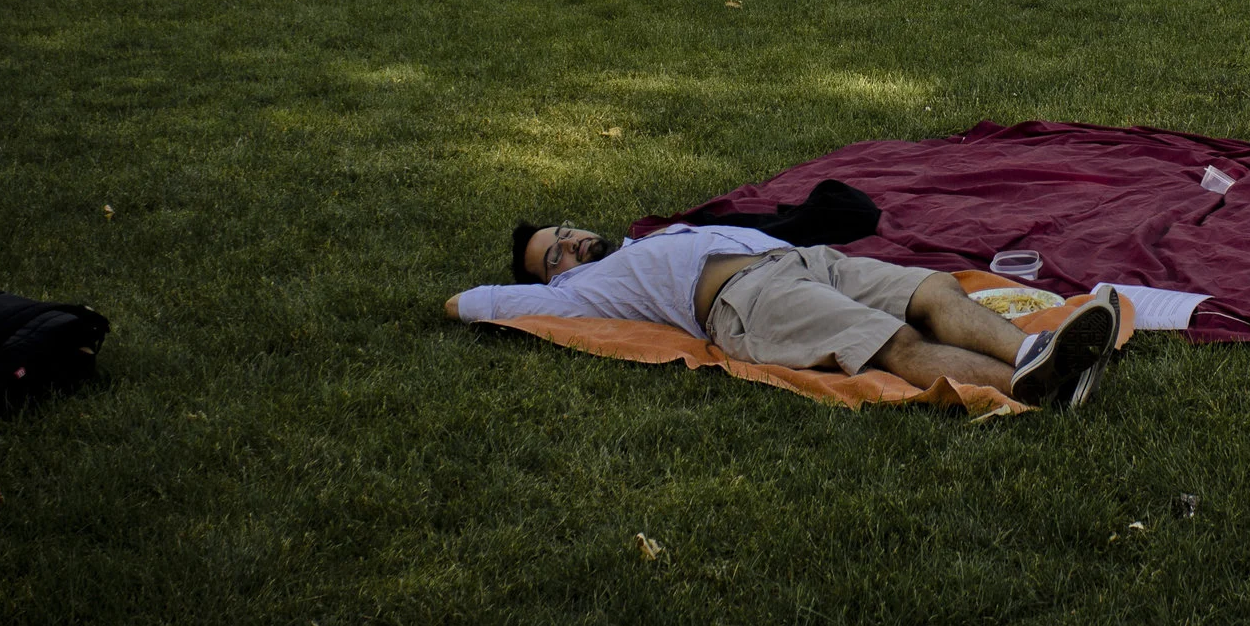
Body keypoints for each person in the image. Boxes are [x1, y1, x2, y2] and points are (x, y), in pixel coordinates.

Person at [447, 221, 1120, 409]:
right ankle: (1044, 388)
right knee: (893, 342)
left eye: (563, 232)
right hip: (748, 301)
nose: (569, 246)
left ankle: (1034, 355)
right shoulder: (576, 292)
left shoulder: (646, 237)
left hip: (805, 261)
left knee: (934, 291)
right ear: (550, 281)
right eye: (553, 256)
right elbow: (467, 303)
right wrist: (539, 286)